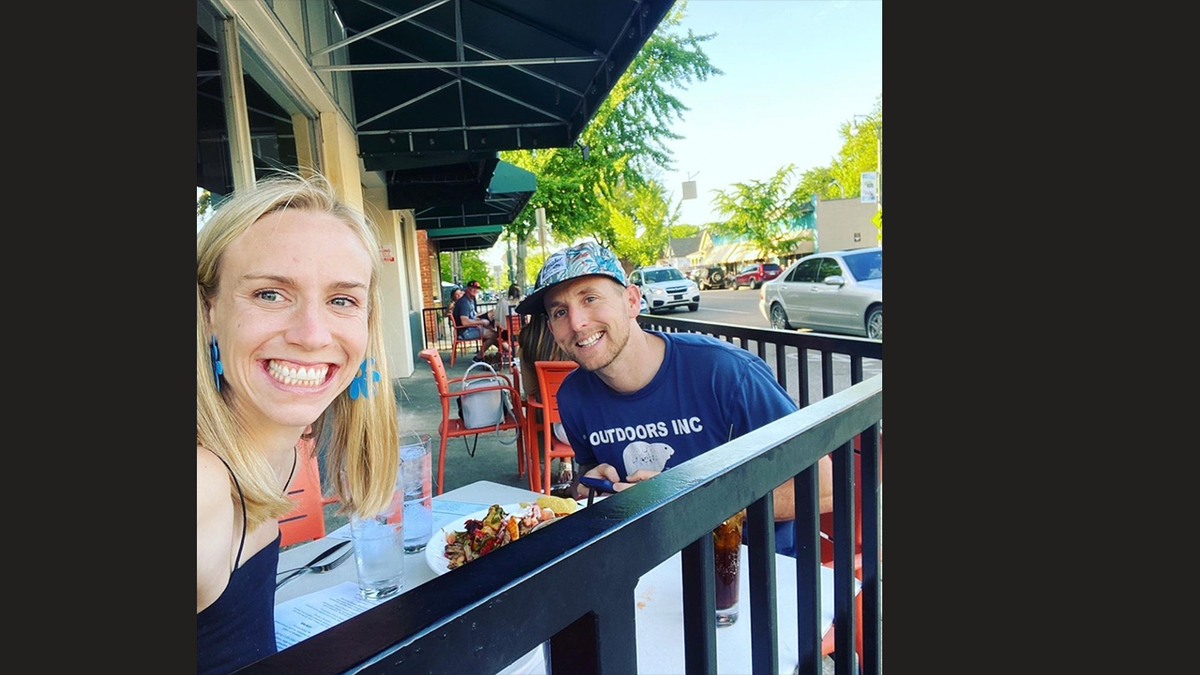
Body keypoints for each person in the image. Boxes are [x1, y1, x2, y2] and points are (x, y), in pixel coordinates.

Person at [197, 172, 401, 675]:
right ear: (209, 311)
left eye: (341, 300)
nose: (312, 335)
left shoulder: (287, 446)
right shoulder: (200, 485)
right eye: (270, 294)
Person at [514, 242, 833, 557]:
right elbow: (587, 475)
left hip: (752, 569)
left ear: (631, 301)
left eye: (590, 298)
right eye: (559, 311)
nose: (577, 323)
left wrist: (689, 497)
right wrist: (589, 488)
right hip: (647, 561)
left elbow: (824, 488)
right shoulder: (572, 396)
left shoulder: (724, 373)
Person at [516, 312, 573, 482]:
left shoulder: (528, 343)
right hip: (589, 428)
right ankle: (566, 464)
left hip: (558, 428)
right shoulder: (575, 343)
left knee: (540, 405)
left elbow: (530, 390)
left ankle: (540, 466)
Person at [453, 279, 498, 363]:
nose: (475, 290)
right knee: (493, 335)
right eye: (472, 288)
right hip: (464, 332)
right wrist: (481, 322)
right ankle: (478, 357)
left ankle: (506, 352)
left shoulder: (469, 301)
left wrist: (481, 319)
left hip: (468, 329)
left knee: (492, 332)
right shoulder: (464, 302)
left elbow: (471, 317)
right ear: (467, 289)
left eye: (477, 288)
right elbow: (465, 322)